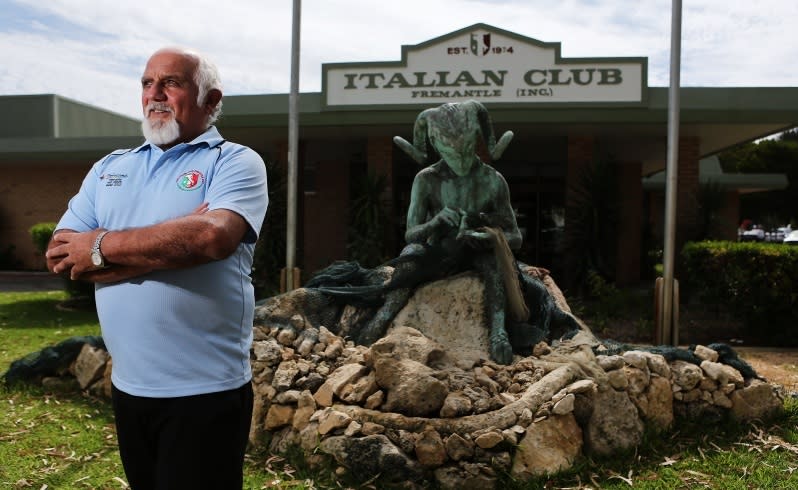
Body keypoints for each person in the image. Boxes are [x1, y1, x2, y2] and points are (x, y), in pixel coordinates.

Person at [45, 47, 269, 489]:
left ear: (210, 98)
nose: (155, 94)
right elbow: (60, 256)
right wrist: (170, 244)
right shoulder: (110, 168)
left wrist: (101, 244)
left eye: (172, 82)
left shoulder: (234, 161)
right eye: (148, 83)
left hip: (206, 393)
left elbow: (211, 238)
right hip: (130, 389)